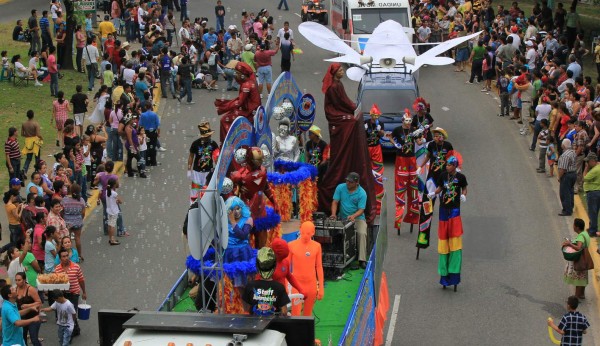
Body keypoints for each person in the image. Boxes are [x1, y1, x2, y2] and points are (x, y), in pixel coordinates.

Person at [318, 63, 376, 224]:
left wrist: (354, 108)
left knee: (355, 119)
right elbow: (342, 104)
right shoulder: (333, 87)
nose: (343, 71)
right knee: (352, 121)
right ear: (335, 72)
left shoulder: (338, 84)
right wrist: (355, 108)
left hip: (340, 113)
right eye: (341, 70)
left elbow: (345, 102)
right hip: (336, 117)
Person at [428, 156, 468, 288]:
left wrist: (463, 195)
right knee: (444, 244)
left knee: (455, 245)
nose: (447, 166)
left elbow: (464, 188)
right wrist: (434, 193)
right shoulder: (443, 175)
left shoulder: (461, 178)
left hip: (455, 212)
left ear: (455, 166)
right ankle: (444, 277)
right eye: (447, 164)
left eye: (450, 165)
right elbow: (440, 188)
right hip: (443, 211)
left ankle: (454, 275)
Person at [388, 111, 420, 231]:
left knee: (413, 188)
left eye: (410, 121)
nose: (408, 123)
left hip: (411, 160)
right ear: (402, 120)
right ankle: (398, 219)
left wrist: (422, 139)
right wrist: (394, 143)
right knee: (400, 188)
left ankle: (412, 216)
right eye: (406, 121)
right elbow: (390, 136)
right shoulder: (397, 129)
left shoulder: (413, 130)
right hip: (401, 160)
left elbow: (418, 141)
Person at [215, 61, 261, 142]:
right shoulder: (251, 82)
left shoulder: (246, 85)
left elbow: (239, 102)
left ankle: (229, 142)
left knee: (224, 119)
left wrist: (224, 107)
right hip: (252, 110)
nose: (235, 75)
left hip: (248, 112)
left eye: (237, 73)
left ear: (242, 75)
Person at [331, 172, 368, 269]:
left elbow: (361, 210)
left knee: (362, 233)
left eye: (350, 182)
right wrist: (334, 214)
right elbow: (335, 202)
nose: (347, 183)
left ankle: (362, 260)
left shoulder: (362, 193)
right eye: (347, 181)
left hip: (358, 219)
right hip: (342, 218)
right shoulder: (340, 187)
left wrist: (353, 216)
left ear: (356, 183)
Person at [288, 221, 324, 316]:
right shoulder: (291, 245)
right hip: (296, 284)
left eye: (308, 233)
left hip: (311, 285)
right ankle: (295, 331)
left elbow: (319, 267)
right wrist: (285, 286)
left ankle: (306, 331)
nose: (305, 235)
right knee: (295, 314)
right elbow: (286, 267)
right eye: (303, 232)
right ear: (300, 230)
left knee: (307, 314)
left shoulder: (317, 246)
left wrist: (321, 287)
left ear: (313, 233)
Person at [242, 247, 290, 316]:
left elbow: (246, 310)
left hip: (254, 324)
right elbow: (284, 312)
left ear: (258, 266)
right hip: (272, 325)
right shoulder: (279, 287)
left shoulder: (250, 286)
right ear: (274, 266)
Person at [53, 248, 86, 337]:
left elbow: (81, 280)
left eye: (67, 256)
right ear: (60, 259)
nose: (66, 258)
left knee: (72, 312)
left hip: (74, 293)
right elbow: (56, 282)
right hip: (63, 294)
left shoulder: (76, 266)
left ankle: (70, 332)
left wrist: (84, 292)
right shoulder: (57, 269)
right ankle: (74, 328)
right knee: (65, 313)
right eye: (63, 256)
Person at [187, 122, 219, 203]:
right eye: (208, 135)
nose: (210, 136)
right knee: (195, 192)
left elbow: (217, 156)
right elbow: (191, 156)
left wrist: (218, 168)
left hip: (208, 172)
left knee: (208, 191)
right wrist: (189, 169)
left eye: (210, 135)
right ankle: (193, 207)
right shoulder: (195, 144)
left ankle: (206, 206)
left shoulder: (213, 144)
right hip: (197, 172)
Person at [563, 218, 591, 300]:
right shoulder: (585, 234)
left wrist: (569, 244)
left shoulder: (581, 237)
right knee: (583, 277)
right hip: (585, 259)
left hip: (580, 259)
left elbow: (578, 247)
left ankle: (576, 297)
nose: (573, 226)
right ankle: (582, 294)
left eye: (574, 225)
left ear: (577, 227)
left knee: (578, 279)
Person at [365, 104, 384, 213]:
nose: (375, 118)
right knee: (366, 168)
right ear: (371, 115)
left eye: (377, 116)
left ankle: (378, 203)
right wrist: (364, 129)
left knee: (378, 172)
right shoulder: (366, 123)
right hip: (367, 147)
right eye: (374, 116)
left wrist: (379, 130)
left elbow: (382, 135)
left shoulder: (380, 123)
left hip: (376, 147)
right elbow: (362, 134)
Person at [14, 272, 42, 346]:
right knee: (22, 340)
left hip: (33, 318)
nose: (17, 282)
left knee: (34, 339)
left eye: (19, 280)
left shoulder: (30, 289)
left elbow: (39, 302)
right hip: (21, 318)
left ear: (24, 280)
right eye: (16, 280)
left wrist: (28, 305)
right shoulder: (15, 289)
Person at [558, 139, 577, 216]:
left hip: (567, 175)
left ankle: (567, 210)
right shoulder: (572, 152)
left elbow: (563, 169)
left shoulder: (565, 155)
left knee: (564, 193)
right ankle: (570, 207)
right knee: (570, 192)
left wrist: (559, 177)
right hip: (573, 174)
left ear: (564, 145)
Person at [138, 101, 160, 167]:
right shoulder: (154, 114)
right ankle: (153, 162)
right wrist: (158, 133)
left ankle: (147, 162)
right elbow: (158, 126)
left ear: (145, 107)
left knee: (146, 147)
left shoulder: (143, 115)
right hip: (153, 132)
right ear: (151, 107)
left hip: (146, 132)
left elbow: (140, 125)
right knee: (153, 147)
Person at [583, 152, 600, 237]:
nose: (587, 163)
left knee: (592, 212)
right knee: (594, 212)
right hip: (596, 192)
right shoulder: (598, 167)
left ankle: (593, 230)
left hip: (593, 192)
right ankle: (592, 227)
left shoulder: (595, 170)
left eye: (588, 162)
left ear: (593, 161)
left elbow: (584, 178)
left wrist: (586, 168)